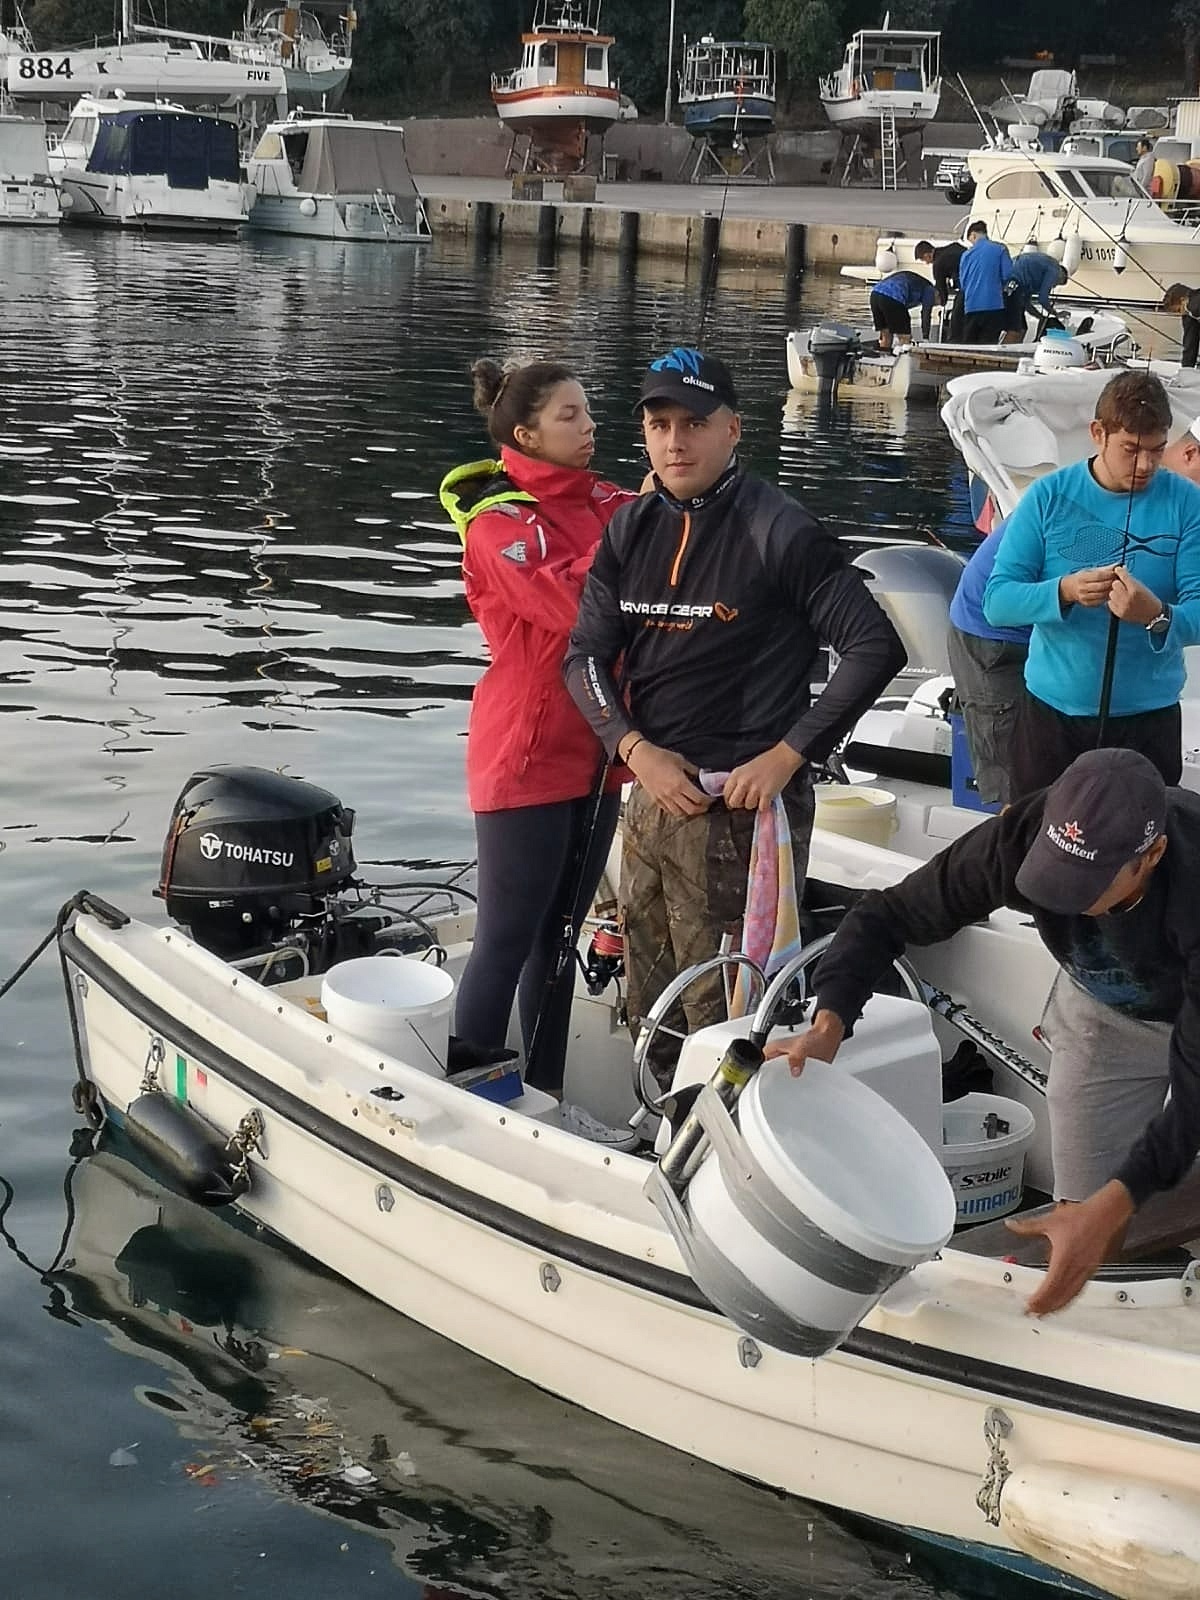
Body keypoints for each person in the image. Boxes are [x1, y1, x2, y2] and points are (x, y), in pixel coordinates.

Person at [563, 346, 906, 1086]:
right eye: (659, 425)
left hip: (743, 815)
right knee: (650, 1003)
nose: (675, 442)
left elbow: (875, 647)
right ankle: (658, 1129)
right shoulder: (629, 530)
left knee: (725, 1016)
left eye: (694, 423)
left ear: (733, 430)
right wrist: (634, 749)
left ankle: (719, 1143)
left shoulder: (779, 530)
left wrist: (789, 754)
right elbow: (583, 658)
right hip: (653, 798)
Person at [763, 748, 1200, 1318]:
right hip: (1105, 1015)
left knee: (1122, 1194)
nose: (1063, 899)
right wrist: (829, 1024)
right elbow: (885, 915)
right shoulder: (1020, 840)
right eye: (1054, 878)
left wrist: (1126, 1195)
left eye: (1086, 885)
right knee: (1083, 1208)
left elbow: (1192, 1104)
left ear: (1152, 855)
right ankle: (1089, 1321)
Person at [439, 357, 638, 1145]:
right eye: (569, 416)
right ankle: (473, 1102)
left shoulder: (611, 501)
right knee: (506, 938)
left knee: (560, 936)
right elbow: (576, 604)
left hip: (600, 755)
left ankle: (547, 1101)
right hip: (524, 756)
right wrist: (641, 549)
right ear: (525, 435)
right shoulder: (499, 526)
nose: (590, 426)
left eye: (587, 411)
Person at [984, 371, 1200, 796]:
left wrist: (1156, 615)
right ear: (1098, 433)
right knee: (1038, 831)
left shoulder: (1189, 503)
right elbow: (998, 601)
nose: (1145, 465)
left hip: (1147, 719)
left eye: (1156, 450)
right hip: (1052, 716)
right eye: (1131, 449)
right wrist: (1064, 591)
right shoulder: (1048, 496)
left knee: (1144, 837)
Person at [946, 521, 1029, 807]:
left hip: (1042, 632)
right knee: (1013, 779)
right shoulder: (1055, 507)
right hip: (989, 636)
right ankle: (1009, 825)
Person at [868, 242, 936, 351]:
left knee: (886, 334)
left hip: (875, 294)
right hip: (893, 296)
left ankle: (883, 354)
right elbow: (926, 313)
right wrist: (925, 338)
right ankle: (904, 358)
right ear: (938, 294)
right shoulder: (930, 289)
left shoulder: (919, 284)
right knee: (905, 337)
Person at [958, 220, 1013, 345]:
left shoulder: (966, 255)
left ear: (973, 235)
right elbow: (1007, 274)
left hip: (971, 306)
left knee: (970, 347)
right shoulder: (1000, 249)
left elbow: (963, 283)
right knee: (988, 346)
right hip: (994, 305)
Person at [1001, 251, 1069, 343]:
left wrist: (1040, 317)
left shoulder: (1033, 277)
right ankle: (1005, 350)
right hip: (1013, 284)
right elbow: (1043, 299)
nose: (1053, 286)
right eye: (1056, 282)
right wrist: (1055, 313)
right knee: (1015, 329)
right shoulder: (1054, 269)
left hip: (1010, 285)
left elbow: (1026, 304)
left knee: (1022, 328)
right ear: (1061, 275)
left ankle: (1014, 349)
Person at [932, 238, 966, 341]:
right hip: (974, 278)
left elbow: (940, 285)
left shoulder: (938, 263)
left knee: (957, 314)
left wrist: (943, 301)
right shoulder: (954, 246)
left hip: (964, 284)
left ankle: (954, 340)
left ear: (927, 256)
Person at [1161, 282, 1200, 368]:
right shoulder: (1188, 315)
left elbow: (1190, 345)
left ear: (1183, 300)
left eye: (1179, 310)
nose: (1181, 314)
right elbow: (1190, 343)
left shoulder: (1192, 306)